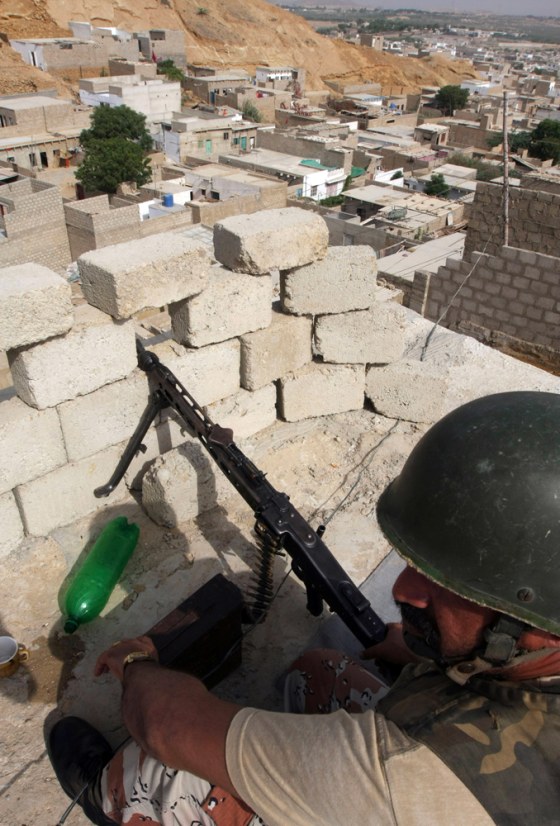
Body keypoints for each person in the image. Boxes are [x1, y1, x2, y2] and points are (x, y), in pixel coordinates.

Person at [48, 391, 560, 825]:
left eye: (445, 586)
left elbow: (165, 723)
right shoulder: (534, 651)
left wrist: (136, 663)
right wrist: (415, 643)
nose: (403, 590)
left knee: (177, 775)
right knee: (319, 674)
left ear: (533, 628)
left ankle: (105, 794)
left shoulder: (411, 775)